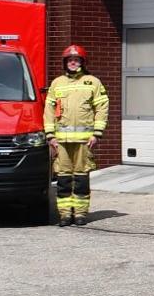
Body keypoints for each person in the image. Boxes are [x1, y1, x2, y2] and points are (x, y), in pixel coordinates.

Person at [44, 44, 108, 226]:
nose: (73, 62)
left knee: (81, 178)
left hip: (84, 140)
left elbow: (102, 109)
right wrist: (51, 136)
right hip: (61, 141)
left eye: (76, 59)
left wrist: (97, 133)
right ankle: (65, 214)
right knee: (63, 178)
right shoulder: (57, 83)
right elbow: (48, 111)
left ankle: (80, 213)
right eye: (70, 60)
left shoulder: (93, 82)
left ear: (83, 62)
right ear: (65, 62)